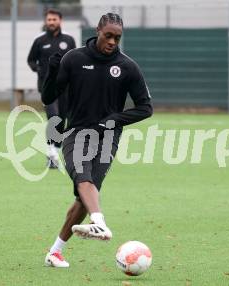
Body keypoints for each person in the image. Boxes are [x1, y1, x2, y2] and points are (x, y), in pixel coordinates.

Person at [41, 13, 153, 268]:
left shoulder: (127, 67)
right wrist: (52, 72)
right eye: (109, 36)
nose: (113, 41)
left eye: (117, 38)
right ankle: (99, 221)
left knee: (84, 197)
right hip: (77, 133)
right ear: (98, 31)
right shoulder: (74, 59)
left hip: (108, 139)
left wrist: (112, 120)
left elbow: (145, 108)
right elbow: (49, 97)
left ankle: (55, 252)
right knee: (84, 179)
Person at [27, 8, 76, 168]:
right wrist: (39, 69)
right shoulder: (39, 40)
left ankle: (54, 150)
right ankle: (51, 153)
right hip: (47, 86)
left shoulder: (69, 40)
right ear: (45, 21)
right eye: (49, 20)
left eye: (54, 20)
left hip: (65, 87)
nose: (51, 22)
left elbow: (74, 60)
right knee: (53, 116)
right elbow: (31, 60)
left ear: (60, 21)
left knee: (62, 119)